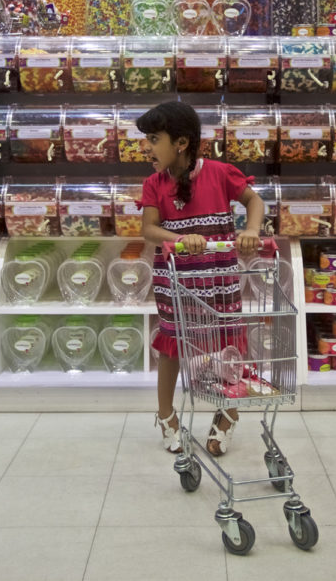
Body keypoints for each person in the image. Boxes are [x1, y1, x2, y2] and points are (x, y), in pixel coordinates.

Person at [137, 101, 265, 456]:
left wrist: (251, 230)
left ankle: (228, 413)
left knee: (228, 346)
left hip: (219, 280)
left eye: (153, 139)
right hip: (174, 280)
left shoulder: (221, 173)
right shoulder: (154, 184)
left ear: (181, 142)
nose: (145, 147)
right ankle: (166, 415)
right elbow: (148, 229)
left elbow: (254, 201)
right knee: (173, 345)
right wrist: (177, 239)